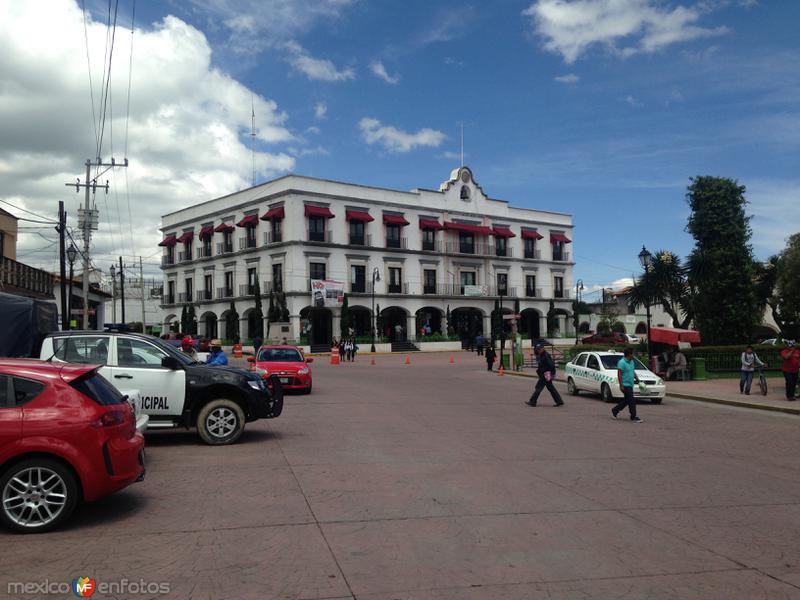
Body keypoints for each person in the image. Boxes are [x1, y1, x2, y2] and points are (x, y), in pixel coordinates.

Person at [525, 342, 564, 407]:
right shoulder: (541, 355)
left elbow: (551, 365)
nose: (538, 350)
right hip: (545, 374)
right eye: (537, 349)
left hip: (545, 374)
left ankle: (532, 401)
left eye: (540, 349)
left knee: (538, 387)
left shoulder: (546, 355)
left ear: (543, 348)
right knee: (551, 388)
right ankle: (559, 401)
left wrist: (552, 373)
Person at [611, 348, 643, 422]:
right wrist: (621, 385)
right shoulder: (622, 362)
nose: (634, 355)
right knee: (631, 400)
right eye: (633, 354)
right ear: (629, 354)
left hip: (630, 384)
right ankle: (633, 416)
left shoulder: (632, 362)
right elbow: (619, 374)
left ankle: (615, 410)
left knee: (627, 400)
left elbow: (632, 371)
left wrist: (637, 379)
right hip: (625, 385)